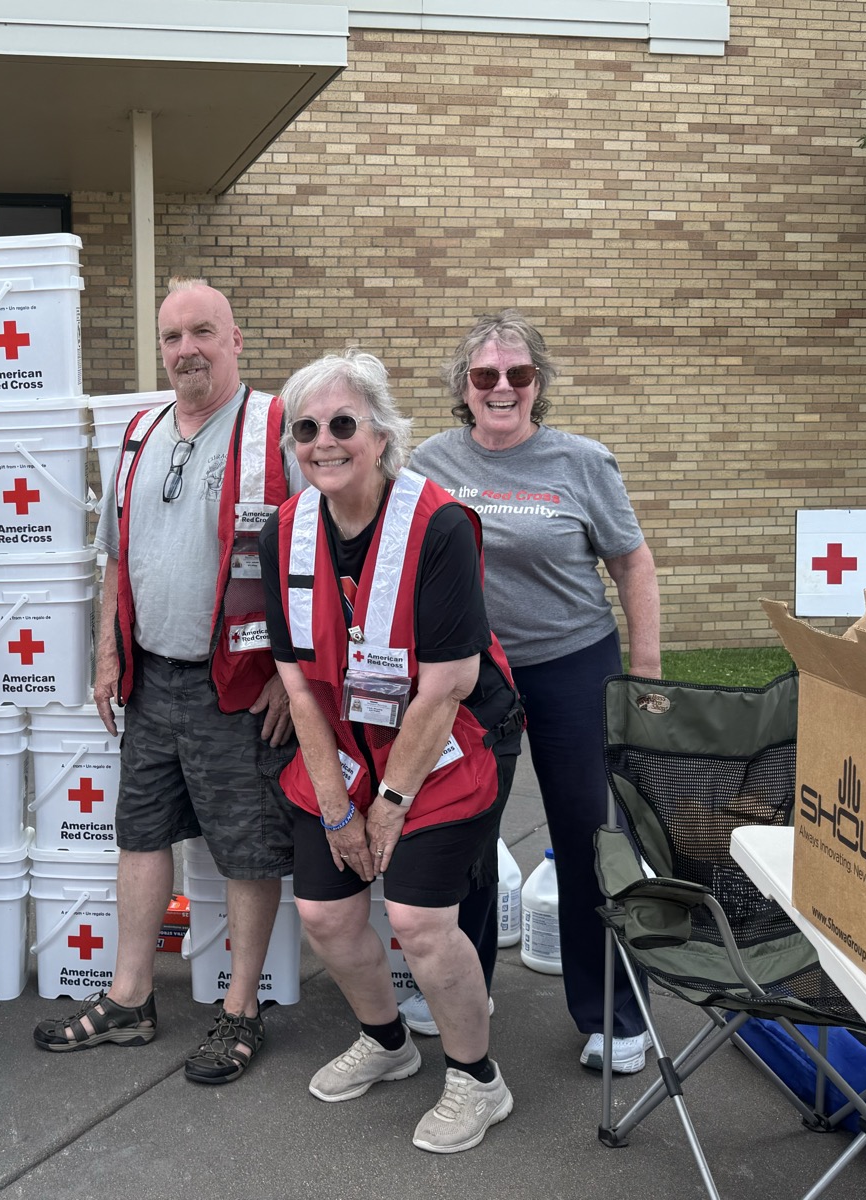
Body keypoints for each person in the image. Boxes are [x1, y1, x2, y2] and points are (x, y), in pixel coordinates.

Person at [31, 278, 298, 1085]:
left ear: (236, 339)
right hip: (153, 683)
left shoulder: (275, 429)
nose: (188, 349)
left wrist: (294, 677)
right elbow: (117, 554)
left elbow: (318, 559)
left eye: (203, 332)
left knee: (248, 850)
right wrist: (109, 656)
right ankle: (130, 998)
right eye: (174, 336)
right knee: (140, 836)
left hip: (239, 684)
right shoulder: (142, 432)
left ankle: (242, 1009)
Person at [258, 349, 524, 1153]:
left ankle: (479, 1080)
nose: (324, 442)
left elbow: (446, 686)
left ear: (381, 436)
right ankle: (387, 1041)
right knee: (324, 914)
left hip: (447, 739)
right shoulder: (284, 529)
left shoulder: (437, 524)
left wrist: (390, 806)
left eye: (344, 424)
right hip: (344, 741)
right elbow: (298, 686)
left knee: (418, 917)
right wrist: (340, 808)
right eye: (307, 429)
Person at [408, 309, 661, 1074]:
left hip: (573, 663)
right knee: (467, 831)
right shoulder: (429, 461)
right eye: (485, 376)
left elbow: (633, 566)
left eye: (518, 374)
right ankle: (465, 988)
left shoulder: (583, 462)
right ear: (463, 387)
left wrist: (644, 671)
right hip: (474, 674)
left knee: (590, 836)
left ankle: (614, 1013)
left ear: (538, 383)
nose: (502, 388)